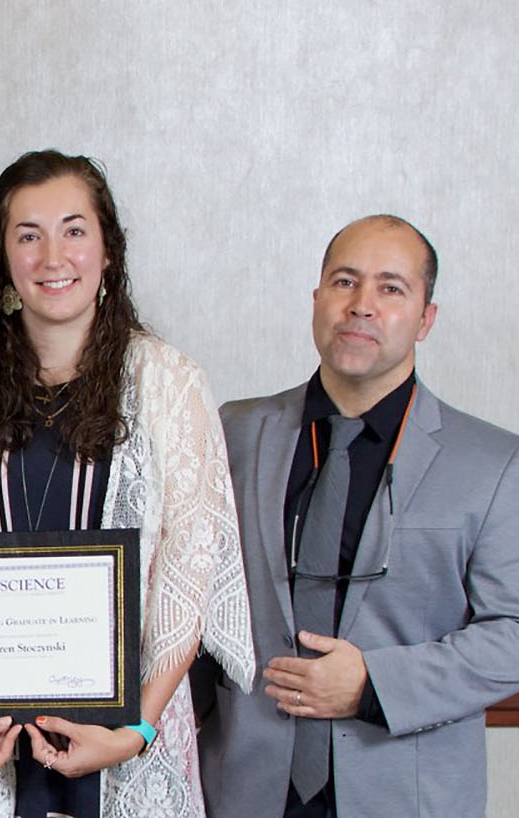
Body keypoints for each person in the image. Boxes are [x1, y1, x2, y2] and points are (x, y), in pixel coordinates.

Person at [0, 150, 255, 818]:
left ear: (107, 252)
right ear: (3, 258)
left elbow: (188, 573)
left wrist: (135, 730)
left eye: (74, 230)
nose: (53, 255)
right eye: (29, 235)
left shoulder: (168, 384)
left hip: (120, 749)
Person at [194, 215, 519, 817]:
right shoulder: (231, 432)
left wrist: (374, 686)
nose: (361, 305)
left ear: (426, 318)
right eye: (344, 282)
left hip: (406, 793)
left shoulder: (496, 464)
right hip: (246, 790)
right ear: (317, 300)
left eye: (391, 288)